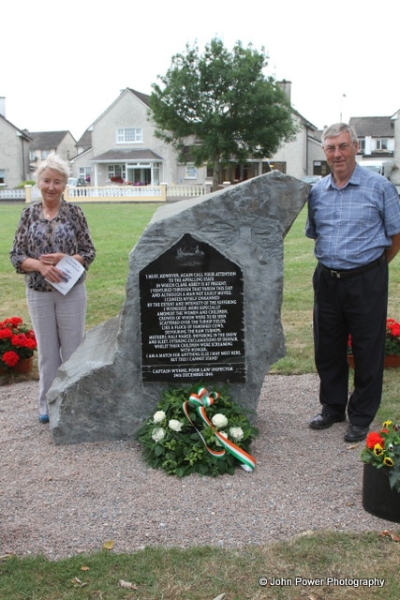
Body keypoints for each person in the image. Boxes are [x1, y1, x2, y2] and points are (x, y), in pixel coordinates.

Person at [306, 123, 400, 443]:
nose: (337, 154)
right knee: (327, 347)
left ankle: (361, 415)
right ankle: (332, 407)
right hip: (328, 280)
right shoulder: (317, 191)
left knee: (367, 349)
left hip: (366, 280)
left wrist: (371, 269)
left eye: (343, 146)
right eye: (331, 148)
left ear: (356, 148)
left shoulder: (379, 187)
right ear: (324, 152)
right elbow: (316, 233)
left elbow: (395, 235)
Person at [10, 154, 96, 423]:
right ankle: (47, 404)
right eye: (47, 181)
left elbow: (89, 252)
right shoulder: (28, 214)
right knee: (48, 353)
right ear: (39, 183)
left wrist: (66, 260)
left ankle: (73, 401)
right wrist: (40, 266)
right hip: (38, 293)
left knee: (72, 350)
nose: (51, 187)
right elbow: (16, 255)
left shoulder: (75, 213)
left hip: (71, 292)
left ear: (64, 185)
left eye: (57, 182)